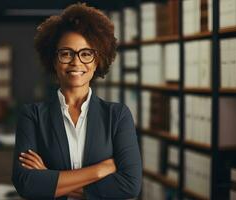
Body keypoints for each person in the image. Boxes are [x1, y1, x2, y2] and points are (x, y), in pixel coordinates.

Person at [12, 3, 142, 200]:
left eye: (86, 53)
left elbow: (130, 185)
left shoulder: (117, 115)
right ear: (53, 60)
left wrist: (49, 179)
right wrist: (100, 170)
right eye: (66, 53)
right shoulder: (32, 116)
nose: (76, 62)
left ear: (97, 61)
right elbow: (26, 184)